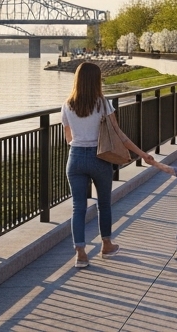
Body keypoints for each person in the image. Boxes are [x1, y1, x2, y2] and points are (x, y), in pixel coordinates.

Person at [61, 62, 154, 268]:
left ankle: (81, 254)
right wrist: (142, 154)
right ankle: (106, 245)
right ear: (96, 80)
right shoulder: (103, 104)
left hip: (75, 158)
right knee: (103, 204)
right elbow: (118, 134)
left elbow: (68, 138)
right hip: (100, 157)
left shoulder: (67, 104)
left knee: (78, 207)